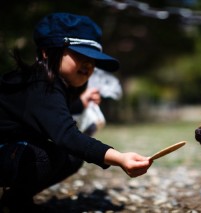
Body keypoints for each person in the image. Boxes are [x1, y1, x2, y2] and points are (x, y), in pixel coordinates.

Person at [0, 12, 152, 212]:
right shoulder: (42, 83)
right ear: (47, 51)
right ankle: (16, 200)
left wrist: (80, 103)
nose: (89, 64)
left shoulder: (43, 82)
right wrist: (119, 158)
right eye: (80, 55)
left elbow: (52, 116)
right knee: (44, 156)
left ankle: (15, 201)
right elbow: (66, 135)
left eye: (93, 59)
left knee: (70, 157)